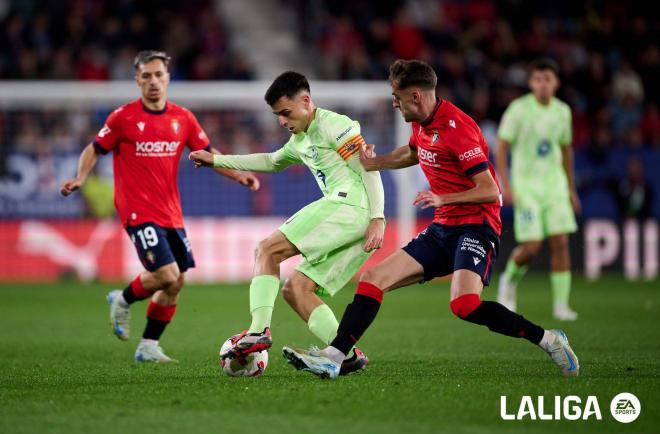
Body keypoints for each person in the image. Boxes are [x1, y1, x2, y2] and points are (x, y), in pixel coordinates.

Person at [281, 59, 579, 379]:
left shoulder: (458, 130)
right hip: (443, 228)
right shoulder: (421, 123)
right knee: (372, 280)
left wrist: (443, 198)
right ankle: (335, 356)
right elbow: (411, 153)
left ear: (417, 97)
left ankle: (548, 340)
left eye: (397, 96)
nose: (393, 102)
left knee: (464, 305)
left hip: (476, 227)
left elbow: (490, 191)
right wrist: (374, 162)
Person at [61, 51, 259, 363]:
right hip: (136, 210)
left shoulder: (183, 119)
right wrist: (80, 177)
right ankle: (122, 299)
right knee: (166, 274)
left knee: (177, 281)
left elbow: (207, 153)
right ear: (137, 80)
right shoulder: (122, 118)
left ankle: (148, 345)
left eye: (158, 75)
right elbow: (94, 148)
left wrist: (238, 174)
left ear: (168, 78)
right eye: (146, 76)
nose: (153, 81)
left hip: (170, 211)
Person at [189, 71, 385, 375]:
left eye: (286, 112)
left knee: (267, 250)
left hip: (351, 207)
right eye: (277, 115)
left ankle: (258, 330)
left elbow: (369, 169)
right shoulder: (299, 140)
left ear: (306, 101)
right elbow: (270, 161)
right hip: (355, 222)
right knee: (297, 288)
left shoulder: (336, 125)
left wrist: (378, 217)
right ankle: (344, 354)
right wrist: (218, 160)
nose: (282, 120)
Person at [495, 58, 581, 321]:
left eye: (548, 79)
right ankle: (508, 282)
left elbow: (566, 151)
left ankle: (561, 306)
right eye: (538, 79)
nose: (543, 84)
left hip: (554, 186)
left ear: (556, 83)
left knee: (560, 242)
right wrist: (506, 184)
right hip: (527, 188)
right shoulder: (519, 110)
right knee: (531, 247)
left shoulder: (563, 111)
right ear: (531, 82)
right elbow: (501, 147)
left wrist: (570, 188)